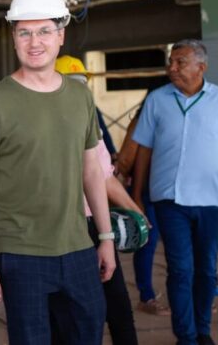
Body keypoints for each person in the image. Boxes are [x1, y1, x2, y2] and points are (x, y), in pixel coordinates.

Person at [0, 0, 115, 345]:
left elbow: (92, 171)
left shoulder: (80, 96)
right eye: (25, 32)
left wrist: (106, 237)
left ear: (61, 35)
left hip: (77, 246)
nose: (35, 42)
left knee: (88, 333)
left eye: (45, 31)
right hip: (20, 253)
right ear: (13, 37)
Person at [132, 39, 218, 345]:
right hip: (168, 200)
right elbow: (143, 148)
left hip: (211, 202)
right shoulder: (157, 100)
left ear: (201, 66)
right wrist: (136, 196)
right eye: (171, 62)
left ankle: (203, 331)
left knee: (207, 272)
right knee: (181, 270)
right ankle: (186, 337)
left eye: (180, 62)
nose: (172, 68)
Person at [53, 56, 141, 344]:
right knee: (65, 308)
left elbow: (104, 178)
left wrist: (133, 210)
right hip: (55, 229)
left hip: (94, 223)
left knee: (115, 301)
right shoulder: (37, 127)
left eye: (82, 84)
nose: (79, 91)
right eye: (72, 83)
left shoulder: (90, 126)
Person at [114, 90, 172, 317]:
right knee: (148, 243)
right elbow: (127, 158)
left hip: (167, 191)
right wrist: (134, 195)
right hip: (146, 189)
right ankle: (146, 295)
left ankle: (185, 296)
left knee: (175, 247)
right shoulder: (142, 121)